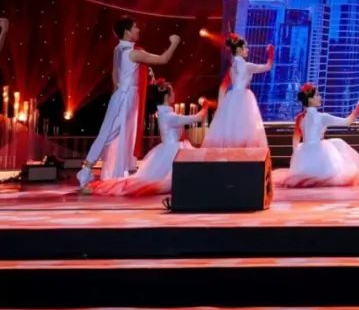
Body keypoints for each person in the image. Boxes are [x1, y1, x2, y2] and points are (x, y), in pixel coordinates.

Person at [77, 18, 180, 188]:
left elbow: (115, 73)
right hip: (125, 97)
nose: (138, 30)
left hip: (125, 95)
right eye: (135, 27)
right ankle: (86, 171)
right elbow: (163, 59)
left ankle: (111, 171)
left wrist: (120, 89)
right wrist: (174, 43)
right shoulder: (131, 53)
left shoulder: (119, 49)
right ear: (127, 31)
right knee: (109, 134)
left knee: (118, 134)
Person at [87, 79, 208, 196]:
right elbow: (198, 118)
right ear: (166, 96)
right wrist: (205, 106)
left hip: (169, 149)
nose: (174, 95)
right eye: (172, 92)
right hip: (173, 150)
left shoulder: (164, 114)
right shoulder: (169, 116)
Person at [277, 84, 359, 188]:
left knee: (336, 143)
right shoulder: (322, 117)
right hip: (320, 152)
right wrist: (358, 110)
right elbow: (347, 122)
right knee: (338, 144)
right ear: (310, 99)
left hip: (304, 152)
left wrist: (296, 154)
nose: (320, 97)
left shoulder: (300, 118)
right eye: (317, 95)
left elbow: (295, 138)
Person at [203, 33, 272, 150]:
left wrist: (220, 108)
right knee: (244, 128)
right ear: (239, 50)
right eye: (245, 47)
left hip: (231, 100)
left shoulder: (232, 68)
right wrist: (271, 54)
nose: (248, 50)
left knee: (231, 128)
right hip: (243, 99)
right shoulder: (246, 66)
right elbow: (267, 67)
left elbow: (222, 88)